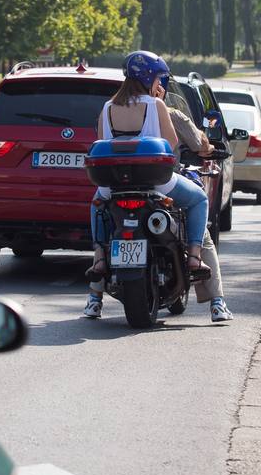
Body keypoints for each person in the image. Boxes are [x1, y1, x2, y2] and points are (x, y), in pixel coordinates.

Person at [82, 51, 210, 319]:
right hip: (156, 185)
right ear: (149, 78)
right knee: (199, 199)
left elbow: (103, 144)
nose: (160, 85)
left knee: (97, 205)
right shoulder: (156, 105)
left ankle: (99, 259)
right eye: (159, 79)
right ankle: (195, 257)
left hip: (114, 187)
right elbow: (172, 143)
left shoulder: (107, 108)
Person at [165, 102, 233, 322]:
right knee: (201, 218)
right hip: (163, 182)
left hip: (117, 184)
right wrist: (210, 147)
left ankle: (95, 297)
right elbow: (200, 144)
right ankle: (217, 303)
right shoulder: (167, 113)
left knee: (105, 218)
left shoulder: (111, 109)